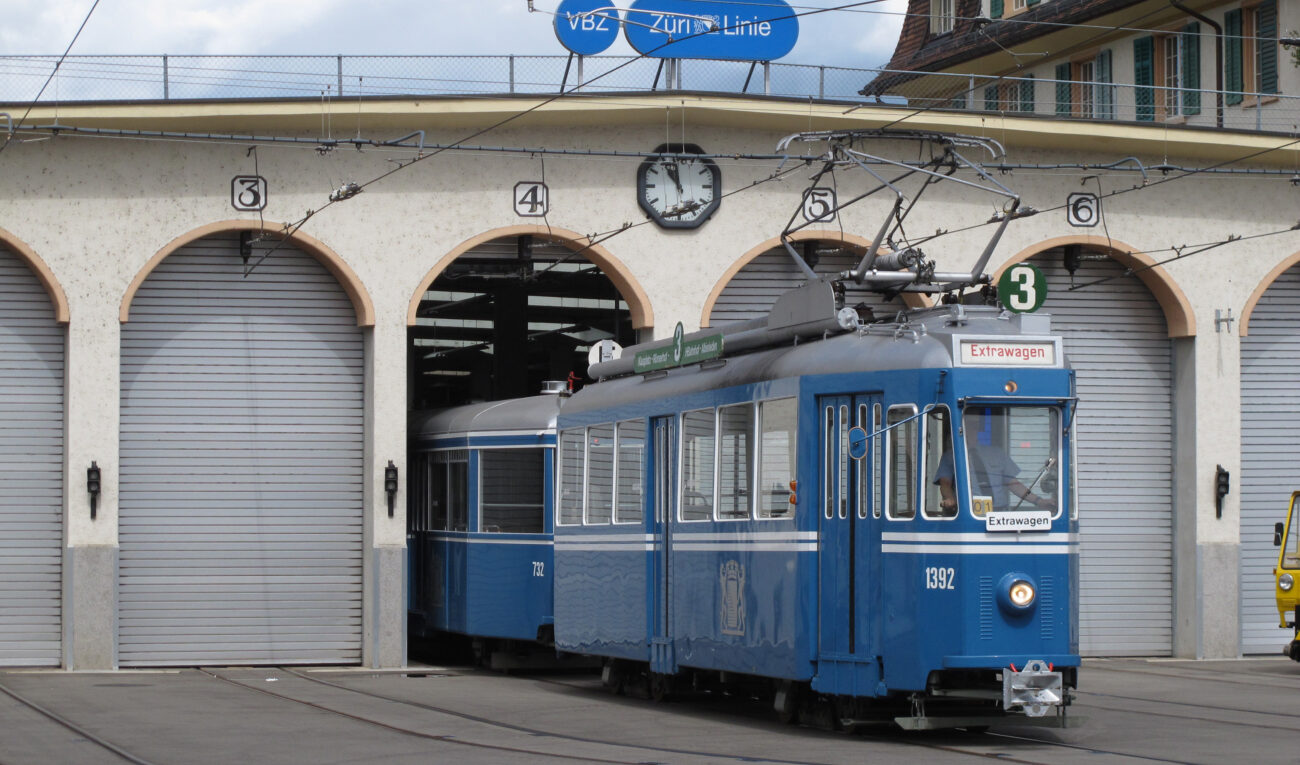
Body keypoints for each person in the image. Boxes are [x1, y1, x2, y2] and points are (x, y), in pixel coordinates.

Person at [934, 441, 1054, 513]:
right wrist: (950, 499)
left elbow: (1013, 484)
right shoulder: (950, 456)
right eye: (968, 424)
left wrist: (1039, 501)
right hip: (968, 514)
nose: (971, 428)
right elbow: (945, 484)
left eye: (975, 425)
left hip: (999, 515)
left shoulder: (996, 453)